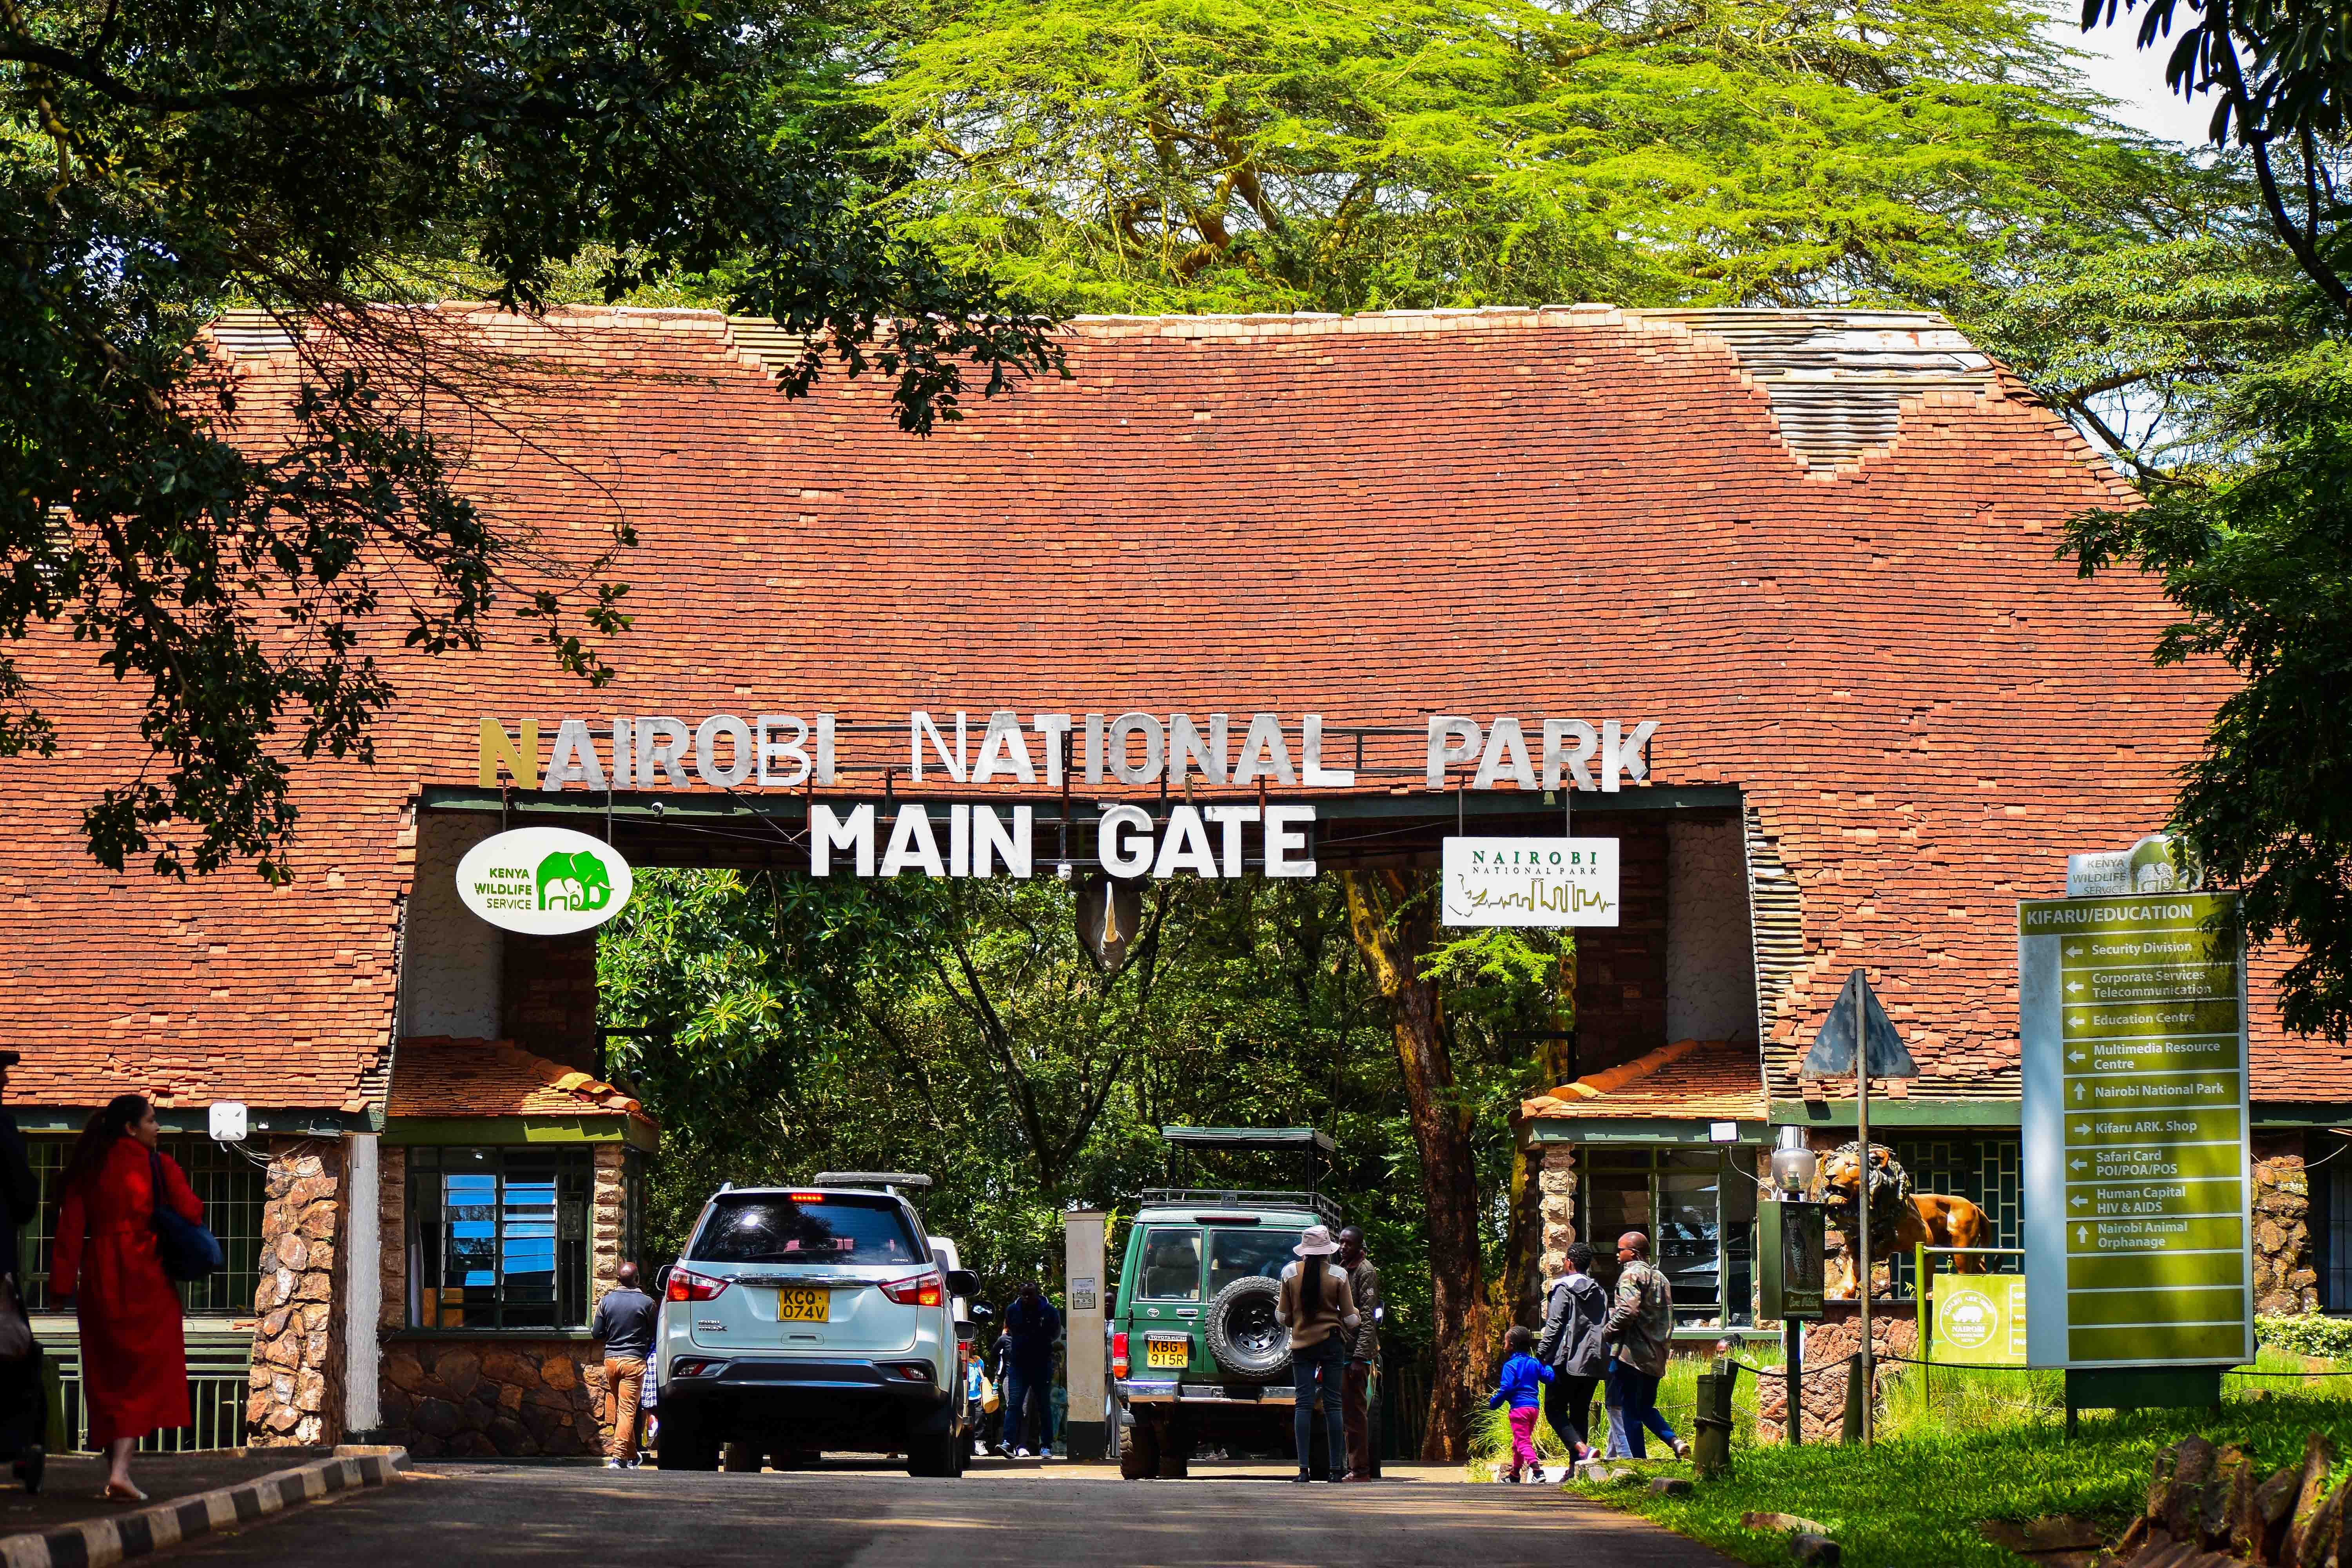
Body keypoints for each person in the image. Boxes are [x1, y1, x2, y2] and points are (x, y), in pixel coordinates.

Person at [53, 1094, 201, 1501]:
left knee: (107, 1373)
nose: (158, 1128)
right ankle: (120, 1471)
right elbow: (191, 1211)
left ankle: (114, 1470)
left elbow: (69, 1232)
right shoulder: (159, 1167)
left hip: (99, 1276)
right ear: (131, 1128)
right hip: (146, 1274)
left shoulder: (90, 1166)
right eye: (152, 1121)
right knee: (144, 1373)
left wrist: (60, 1288)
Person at [1274, 1224, 1358, 1484]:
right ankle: (1335, 1470)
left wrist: (1299, 1323)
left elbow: (1282, 1316)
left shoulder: (1289, 1273)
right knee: (1333, 1405)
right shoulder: (1339, 1275)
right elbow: (1350, 1319)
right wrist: (1353, 1318)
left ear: (1305, 1251)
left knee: (1304, 1404)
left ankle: (1303, 1471)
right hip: (1332, 1345)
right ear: (1327, 1252)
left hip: (1302, 1346)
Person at [1603, 1231, 1688, 1461]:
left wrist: (1608, 1331)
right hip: (1657, 1353)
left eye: (1620, 1250)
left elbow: (1628, 1311)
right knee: (1645, 1408)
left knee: (1630, 1411)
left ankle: (1640, 1461)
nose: (1618, 1255)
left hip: (1632, 1355)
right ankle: (1674, 1440)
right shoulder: (1661, 1278)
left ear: (1633, 1252)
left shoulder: (1630, 1276)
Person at [1535, 1241, 1609, 1463]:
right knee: (1580, 1412)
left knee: (1554, 1410)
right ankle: (1576, 1469)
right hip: (1592, 1361)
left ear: (1569, 1262)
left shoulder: (1563, 1289)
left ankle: (1581, 1449)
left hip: (1565, 1360)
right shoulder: (1600, 1292)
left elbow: (1555, 1325)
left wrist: (1540, 1354)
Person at [591, 1261, 658, 1469]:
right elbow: (656, 1333)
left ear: (618, 1279)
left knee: (623, 1410)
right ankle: (618, 1458)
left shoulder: (606, 1302)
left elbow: (596, 1333)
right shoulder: (647, 1304)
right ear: (637, 1279)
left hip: (611, 1361)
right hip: (634, 1362)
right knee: (628, 1411)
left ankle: (632, 1456)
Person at [1335, 1225, 1381, 1481]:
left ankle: (1360, 1470)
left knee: (1355, 1414)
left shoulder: (1366, 1271)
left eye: (1349, 1244)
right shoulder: (1342, 1268)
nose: (1343, 1247)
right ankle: (1350, 1467)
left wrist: (1360, 1358)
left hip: (1355, 1354)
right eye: (1341, 1242)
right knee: (1344, 1413)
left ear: (1360, 1246)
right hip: (1342, 1350)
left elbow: (1368, 1319)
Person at [998, 1281, 1061, 1457]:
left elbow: (1055, 1333)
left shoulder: (1050, 1312)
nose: (1026, 1298)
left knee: (1044, 1406)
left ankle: (1046, 1446)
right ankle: (1008, 1443)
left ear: (1037, 1294)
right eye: (1023, 1294)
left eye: (1030, 1294)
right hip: (1019, 1365)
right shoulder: (1013, 1310)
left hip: (1041, 1365)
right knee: (1014, 1405)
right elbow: (1011, 1330)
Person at [1487, 1324, 1555, 1483]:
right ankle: (1515, 1475)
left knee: (1523, 1442)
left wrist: (1495, 1402)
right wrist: (1550, 1366)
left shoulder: (1510, 1366)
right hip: (1534, 1409)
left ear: (1511, 1346)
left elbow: (1507, 1387)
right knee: (1518, 1442)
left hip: (1519, 1410)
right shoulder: (1534, 1363)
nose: (1504, 1346)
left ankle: (1538, 1472)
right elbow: (1548, 1378)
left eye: (1505, 1343)